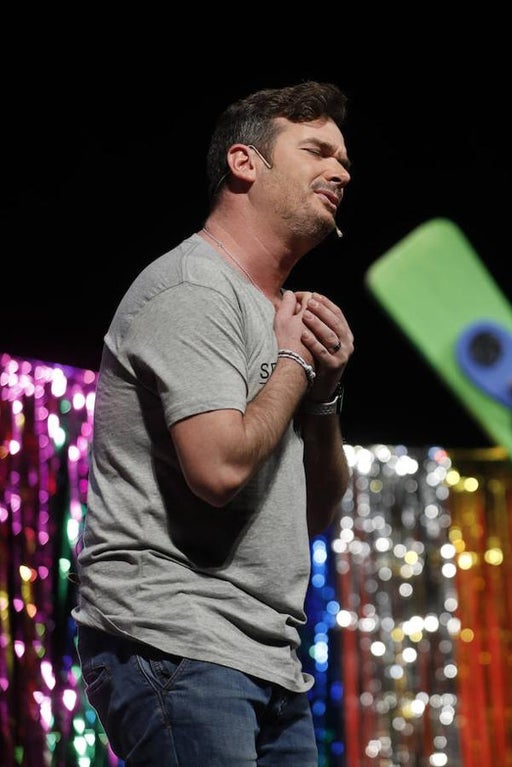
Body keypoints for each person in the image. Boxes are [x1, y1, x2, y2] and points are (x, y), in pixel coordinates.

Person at [72, 81, 355, 765]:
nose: (341, 171)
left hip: (267, 655)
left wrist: (324, 395)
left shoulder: (284, 312)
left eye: (345, 160)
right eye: (317, 150)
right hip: (175, 640)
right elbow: (219, 469)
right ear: (244, 163)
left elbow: (311, 512)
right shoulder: (193, 289)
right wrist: (291, 360)